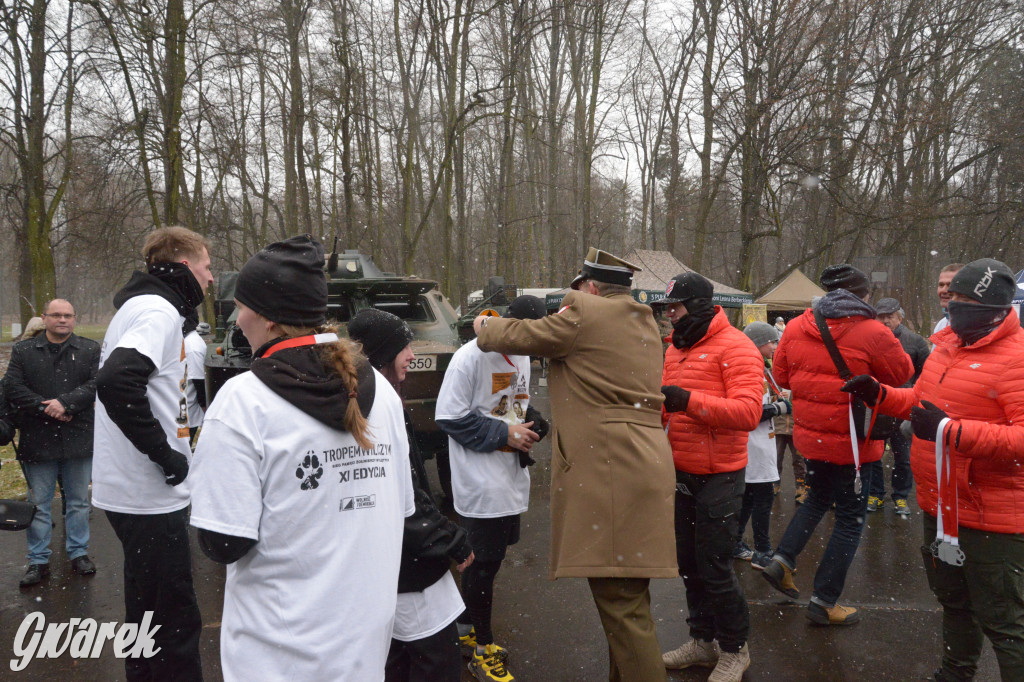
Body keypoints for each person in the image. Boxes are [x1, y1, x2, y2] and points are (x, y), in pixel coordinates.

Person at [189, 236, 415, 681]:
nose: (239, 317)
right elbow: (399, 508)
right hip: (362, 647)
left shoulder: (242, 402)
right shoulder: (382, 391)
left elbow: (223, 542)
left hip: (278, 653)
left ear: (267, 318)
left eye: (242, 306)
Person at [472, 248, 677, 682]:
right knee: (629, 597)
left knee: (621, 605)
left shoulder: (585, 314)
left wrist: (484, 325)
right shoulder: (642, 320)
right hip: (643, 462)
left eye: (578, 286)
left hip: (612, 469)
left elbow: (519, 334)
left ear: (591, 287)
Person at [844, 258, 1024, 680]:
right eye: (950, 296)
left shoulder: (1017, 359)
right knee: (954, 604)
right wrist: (879, 394)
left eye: (963, 299)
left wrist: (949, 430)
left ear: (993, 307)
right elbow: (919, 403)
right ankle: (955, 673)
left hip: (992, 519)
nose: (952, 304)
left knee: (1004, 623)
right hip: (941, 508)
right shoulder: (945, 345)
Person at [762, 264, 913, 626]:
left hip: (812, 438)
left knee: (815, 500)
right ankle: (824, 601)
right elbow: (903, 373)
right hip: (854, 444)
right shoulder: (874, 331)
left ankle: (782, 559)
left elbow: (782, 377)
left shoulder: (798, 325)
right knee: (849, 520)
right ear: (862, 295)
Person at [93, 226, 212, 681]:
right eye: (205, 267)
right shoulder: (158, 312)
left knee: (147, 611)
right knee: (172, 618)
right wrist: (166, 456)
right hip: (147, 495)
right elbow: (116, 381)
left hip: (133, 492)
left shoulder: (145, 308)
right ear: (184, 266)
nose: (210, 279)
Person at [347, 307, 474, 682]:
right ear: (384, 355)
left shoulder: (370, 398)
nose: (412, 356)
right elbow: (404, 495)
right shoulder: (379, 405)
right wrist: (448, 538)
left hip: (389, 562)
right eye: (405, 348)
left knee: (396, 660)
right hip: (408, 567)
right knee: (435, 659)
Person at [435, 295, 549, 682]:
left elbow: (512, 403)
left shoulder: (522, 354)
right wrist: (504, 432)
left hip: (510, 476)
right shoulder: (469, 357)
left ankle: (465, 632)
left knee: (492, 561)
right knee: (481, 566)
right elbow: (449, 417)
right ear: (509, 325)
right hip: (480, 480)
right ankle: (482, 648)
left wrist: (533, 421)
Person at [657, 273, 763, 682]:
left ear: (699, 304)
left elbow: (748, 413)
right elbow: (666, 408)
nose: (670, 314)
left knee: (715, 566)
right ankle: (702, 641)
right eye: (668, 307)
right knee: (689, 564)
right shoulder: (675, 348)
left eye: (676, 306)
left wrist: (689, 402)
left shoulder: (737, 347)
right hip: (680, 472)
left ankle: (735, 649)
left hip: (720, 475)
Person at [2, 299, 100, 586]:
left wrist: (66, 403)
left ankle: (79, 553)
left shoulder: (90, 349)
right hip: (38, 437)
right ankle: (38, 560)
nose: (62, 320)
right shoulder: (23, 351)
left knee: (79, 501)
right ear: (44, 318)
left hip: (78, 436)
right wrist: (46, 407)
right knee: (39, 503)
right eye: (56, 315)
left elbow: (97, 384)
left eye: (68, 315)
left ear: (74, 319)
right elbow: (12, 386)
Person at [866, 298, 928, 515]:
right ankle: (875, 494)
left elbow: (926, 374)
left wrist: (914, 394)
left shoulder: (915, 341)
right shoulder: (869, 340)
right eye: (880, 316)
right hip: (877, 406)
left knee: (903, 457)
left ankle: (901, 497)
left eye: (889, 316)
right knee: (874, 455)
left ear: (900, 318)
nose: (884, 321)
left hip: (905, 408)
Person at [734, 321, 789, 570]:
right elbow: (749, 411)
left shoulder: (761, 367)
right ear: (758, 343)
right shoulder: (751, 368)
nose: (775, 346)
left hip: (760, 444)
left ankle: (736, 542)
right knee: (760, 498)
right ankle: (763, 548)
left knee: (750, 498)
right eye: (771, 341)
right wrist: (778, 408)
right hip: (753, 446)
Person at [183, 309, 207, 443]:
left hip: (188, 414)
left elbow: (199, 382)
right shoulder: (186, 341)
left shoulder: (192, 346)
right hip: (183, 411)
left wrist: (206, 410)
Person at [933, 263, 964, 334]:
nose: (944, 290)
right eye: (941, 285)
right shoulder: (941, 325)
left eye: (950, 285)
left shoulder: (978, 325)